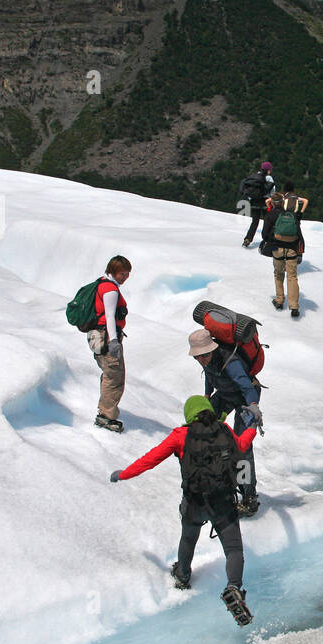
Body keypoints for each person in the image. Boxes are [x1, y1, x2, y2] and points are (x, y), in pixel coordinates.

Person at [109, 395, 254, 625]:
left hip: (194, 502)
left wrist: (123, 474)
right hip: (223, 502)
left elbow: (150, 459)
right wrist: (252, 426)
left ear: (189, 415)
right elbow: (242, 446)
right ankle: (234, 587)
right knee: (234, 549)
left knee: (188, 538)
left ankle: (183, 575)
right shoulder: (224, 429)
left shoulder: (181, 435)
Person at [189, 327, 263, 517]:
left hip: (245, 399)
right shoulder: (207, 358)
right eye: (196, 357)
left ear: (211, 350)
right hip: (225, 394)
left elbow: (247, 386)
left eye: (202, 356)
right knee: (200, 429)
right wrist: (206, 396)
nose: (200, 360)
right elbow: (209, 374)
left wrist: (253, 406)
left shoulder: (231, 362)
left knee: (242, 447)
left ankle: (249, 497)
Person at [89, 255, 131, 431]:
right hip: (107, 337)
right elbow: (109, 316)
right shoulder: (110, 290)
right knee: (114, 375)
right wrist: (114, 341)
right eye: (123, 273)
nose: (126, 277)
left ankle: (105, 410)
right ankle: (106, 416)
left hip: (96, 336)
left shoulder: (101, 284)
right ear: (113, 271)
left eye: (127, 273)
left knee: (109, 373)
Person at [269, 183, 306, 317]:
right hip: (292, 250)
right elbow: (299, 236)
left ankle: (279, 301)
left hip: (277, 249)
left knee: (279, 274)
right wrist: (300, 251)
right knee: (292, 277)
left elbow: (264, 234)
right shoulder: (293, 216)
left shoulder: (272, 215)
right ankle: (294, 306)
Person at [240, 162, 274, 247]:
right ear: (269, 170)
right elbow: (273, 192)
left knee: (254, 222)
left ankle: (248, 239)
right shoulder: (269, 178)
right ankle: (267, 240)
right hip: (266, 202)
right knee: (267, 222)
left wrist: (252, 198)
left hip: (254, 202)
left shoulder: (254, 176)